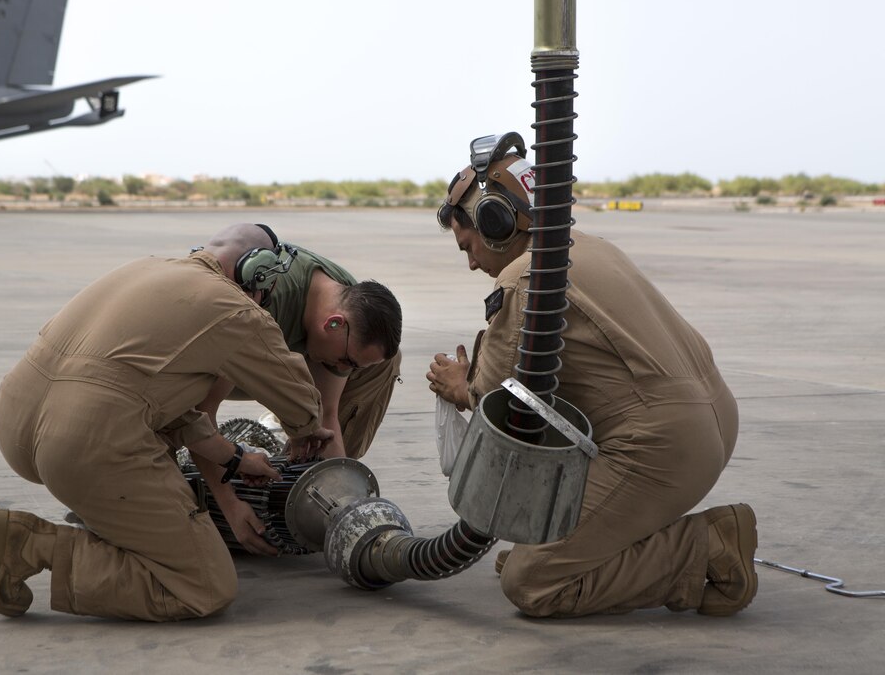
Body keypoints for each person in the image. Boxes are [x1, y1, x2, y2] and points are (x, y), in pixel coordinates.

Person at [425, 134, 756, 618]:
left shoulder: (523, 276)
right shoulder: (590, 246)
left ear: (495, 224)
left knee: (531, 583)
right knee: (541, 552)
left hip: (658, 445)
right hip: (713, 419)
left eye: (468, 244)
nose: (472, 260)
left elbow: (496, 396)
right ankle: (584, 553)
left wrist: (459, 385)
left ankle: (708, 547)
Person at [0, 223, 335, 621]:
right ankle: (31, 545)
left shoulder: (146, 269)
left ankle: (126, 524)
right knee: (202, 587)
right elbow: (297, 394)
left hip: (14, 422)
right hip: (83, 446)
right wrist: (308, 429)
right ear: (258, 272)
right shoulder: (234, 309)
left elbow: (164, 408)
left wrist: (236, 458)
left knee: (141, 419)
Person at [197, 239, 403, 460]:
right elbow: (201, 414)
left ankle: (305, 470)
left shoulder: (352, 301)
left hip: (276, 363)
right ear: (334, 323)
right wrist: (228, 486)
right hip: (206, 361)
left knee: (383, 363)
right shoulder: (259, 301)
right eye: (347, 360)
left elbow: (327, 413)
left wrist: (340, 483)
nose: (345, 369)